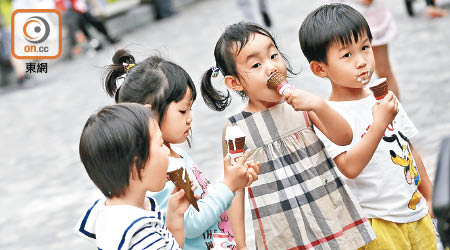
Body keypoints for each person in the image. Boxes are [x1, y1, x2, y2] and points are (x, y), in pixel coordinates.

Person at [201, 22, 375, 250]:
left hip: (330, 218)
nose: (270, 67)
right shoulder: (235, 129)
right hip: (283, 231)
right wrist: (241, 244)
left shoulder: (302, 104)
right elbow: (235, 188)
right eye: (256, 64)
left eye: (274, 55)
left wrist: (319, 106)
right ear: (234, 83)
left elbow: (344, 137)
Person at [299, 3, 437, 249]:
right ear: (320, 68)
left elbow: (409, 149)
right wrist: (380, 123)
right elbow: (349, 167)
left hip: (416, 213)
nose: (362, 61)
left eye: (365, 47)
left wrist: (429, 195)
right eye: (347, 55)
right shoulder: (328, 115)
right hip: (378, 224)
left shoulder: (383, 99)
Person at [103, 49, 261, 250]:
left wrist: (234, 180)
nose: (189, 118)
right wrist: (228, 185)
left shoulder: (178, 156)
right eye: (182, 110)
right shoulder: (162, 169)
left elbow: (207, 203)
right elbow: (192, 223)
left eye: (190, 109)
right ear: (149, 114)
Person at [75, 103, 189, 249]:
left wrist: (175, 216)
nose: (167, 151)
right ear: (138, 166)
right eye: (161, 144)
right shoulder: (140, 233)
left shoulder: (112, 213)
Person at [329, 0, 400, 98]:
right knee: (348, 79)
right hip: (340, 16)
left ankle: (395, 109)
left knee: (384, 72)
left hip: (367, 15)